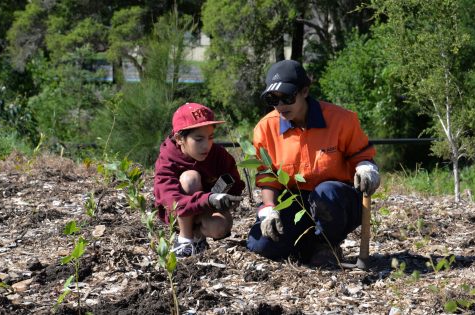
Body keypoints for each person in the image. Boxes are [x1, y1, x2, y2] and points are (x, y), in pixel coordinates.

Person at [247, 60, 380, 266]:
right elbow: (267, 178)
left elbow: (361, 156)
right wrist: (269, 209)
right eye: (273, 99)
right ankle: (306, 246)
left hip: (337, 200)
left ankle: (327, 244)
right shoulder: (265, 129)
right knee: (261, 245)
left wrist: (366, 167)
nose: (281, 106)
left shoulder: (342, 120)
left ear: (305, 92)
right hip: (296, 200)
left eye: (288, 97)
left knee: (325, 192)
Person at [154, 102, 245, 258]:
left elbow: (235, 182)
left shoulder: (219, 155)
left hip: (206, 209)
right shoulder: (167, 159)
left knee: (220, 227)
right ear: (179, 138)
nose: (206, 145)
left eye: (210, 137)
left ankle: (198, 238)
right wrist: (208, 199)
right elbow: (173, 201)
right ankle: (185, 240)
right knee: (190, 179)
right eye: (199, 139)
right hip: (179, 213)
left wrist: (230, 196)